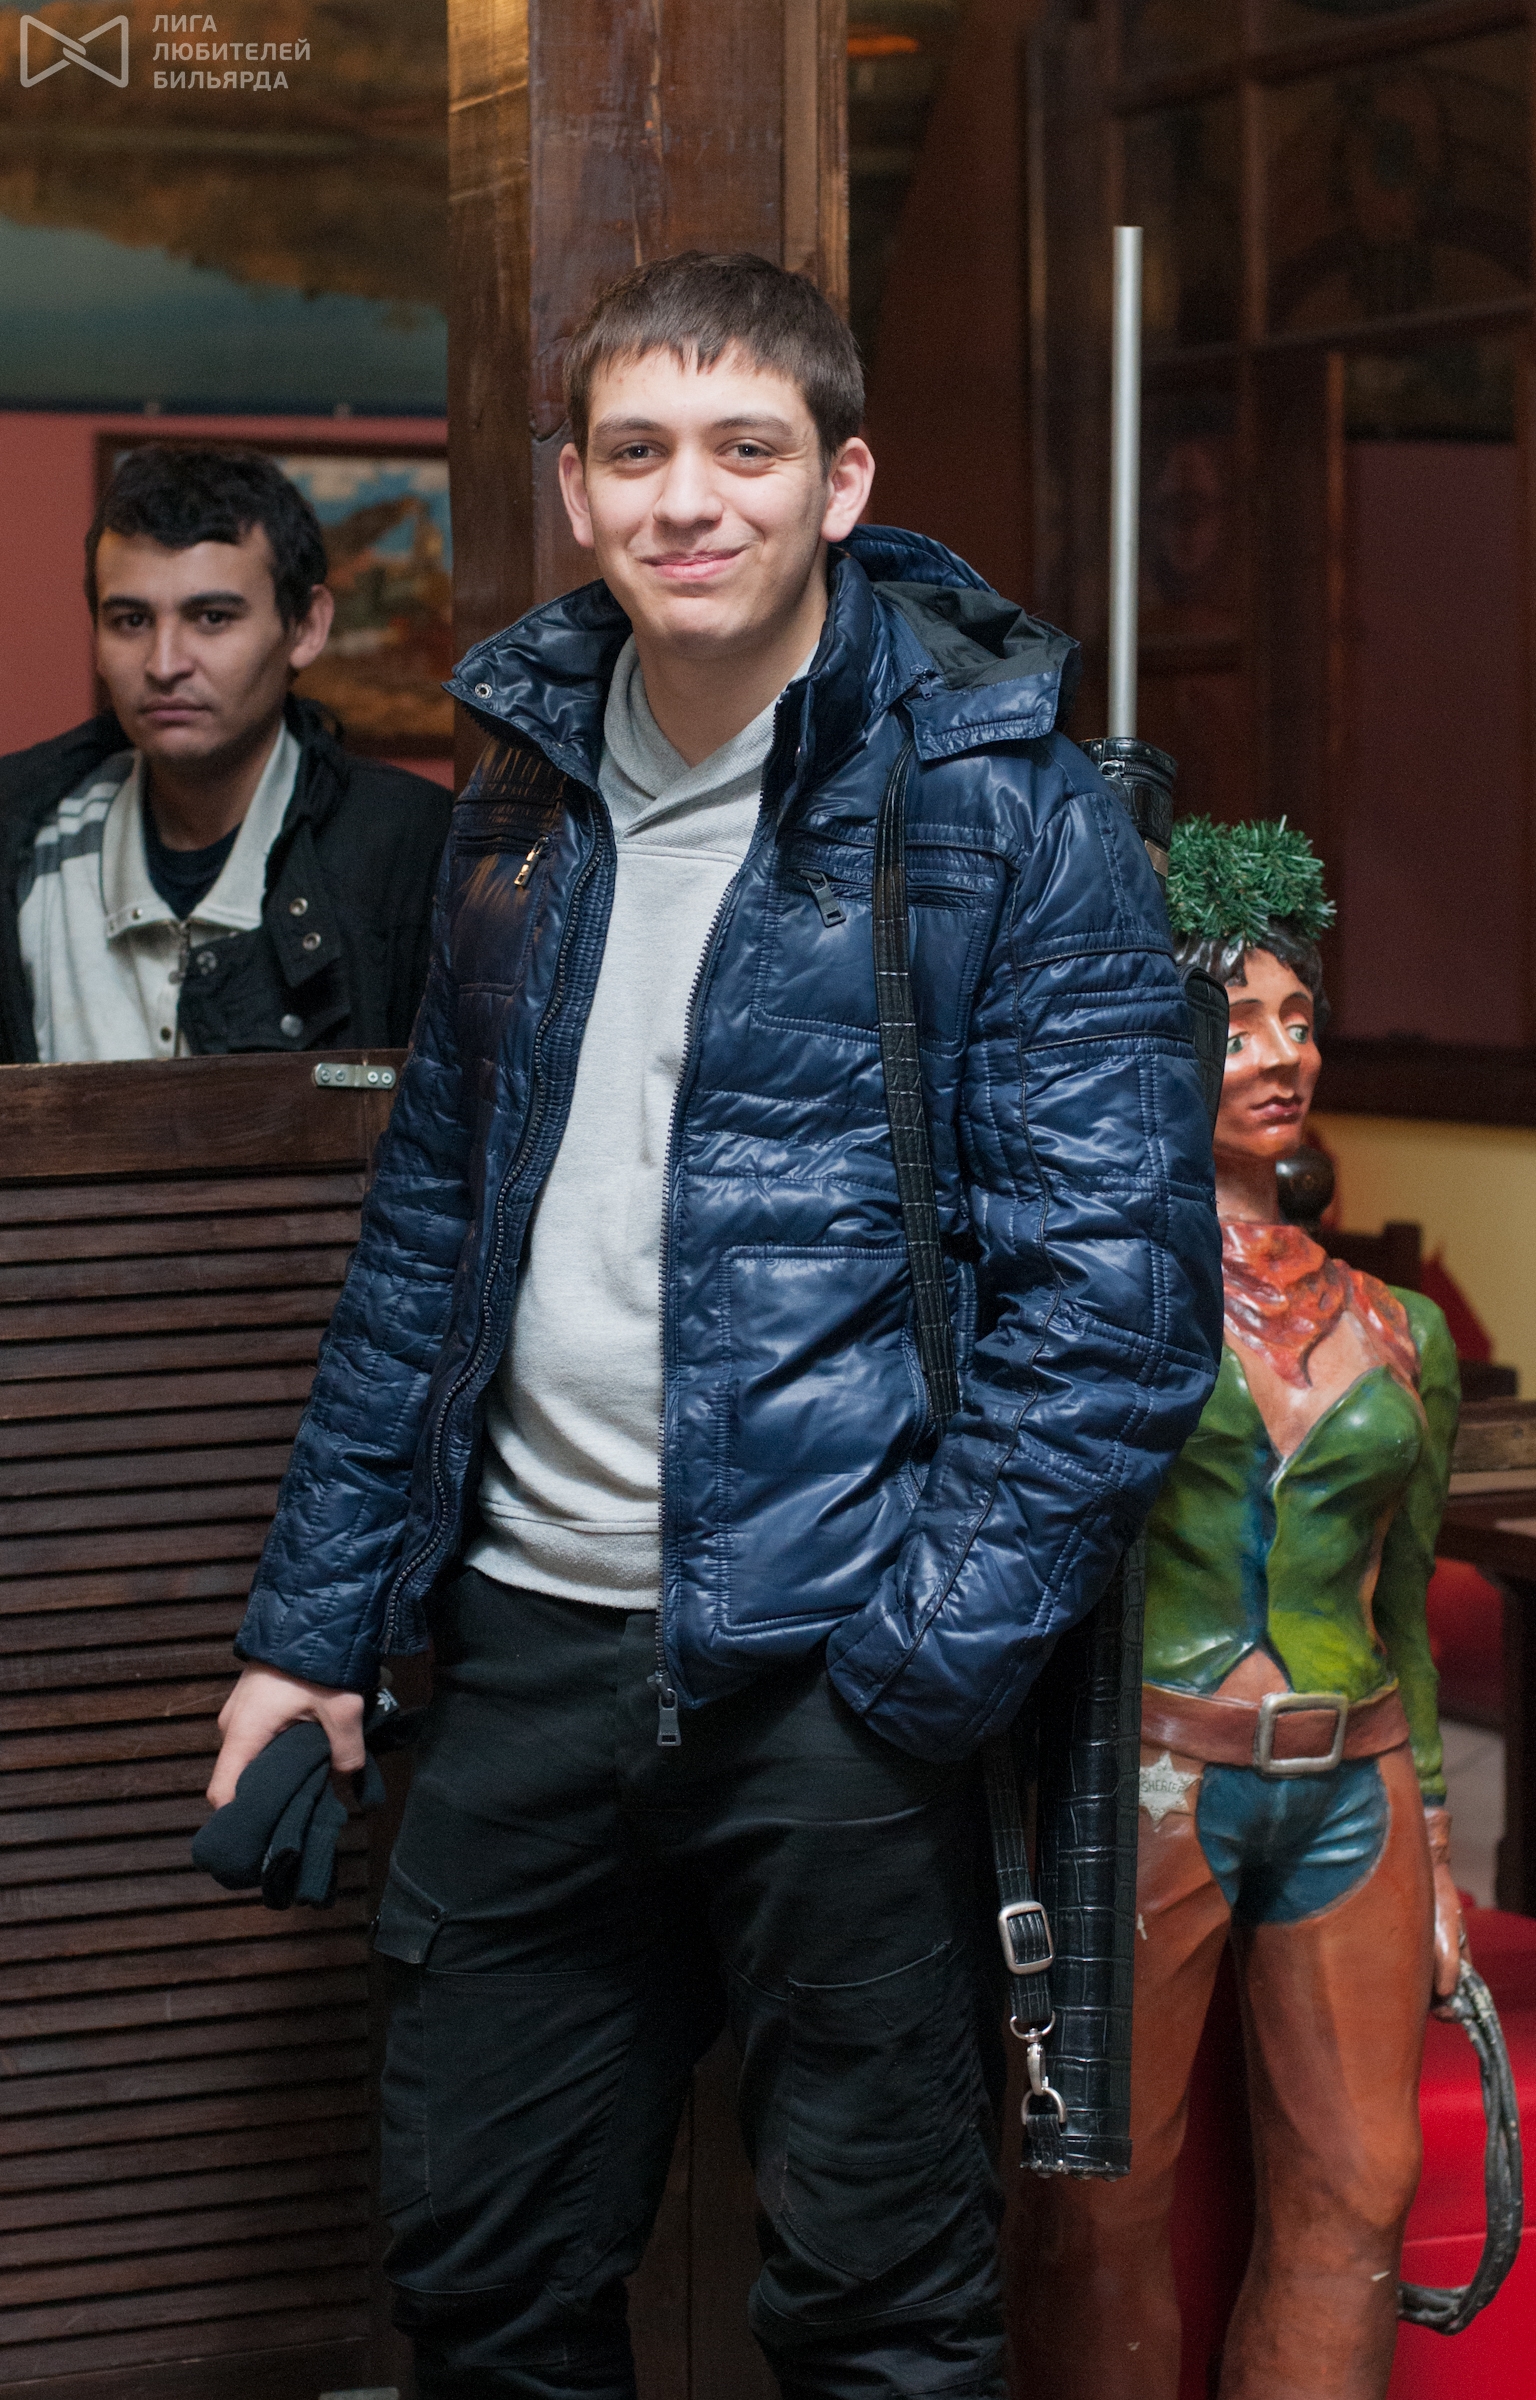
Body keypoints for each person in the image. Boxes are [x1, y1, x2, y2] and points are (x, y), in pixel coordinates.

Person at [208, 251, 1223, 2400]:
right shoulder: (519, 796)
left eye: (744, 448)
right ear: (577, 490)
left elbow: (1114, 1323)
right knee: (481, 2287)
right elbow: (426, 1242)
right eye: (639, 451)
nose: (689, 499)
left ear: (839, 481)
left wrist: (907, 1675)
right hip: (518, 1657)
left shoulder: (1007, 808)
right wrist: (310, 1634)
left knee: (878, 2321)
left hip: (834, 1684)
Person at [1008, 817, 1462, 2400]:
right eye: (1237, 1022)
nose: (1279, 1054)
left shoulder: (1398, 1329)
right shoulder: (1096, 1297)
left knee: (1360, 2187)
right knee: (1094, 2198)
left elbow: (1409, 1612)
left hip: (1353, 1781)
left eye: (1297, 1019)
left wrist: (1438, 1849)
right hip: (1150, 1776)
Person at [0, 443, 453, 1062]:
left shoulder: (415, 847)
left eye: (212, 617)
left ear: (306, 627)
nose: (164, 665)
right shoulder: (27, 847)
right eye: (131, 621)